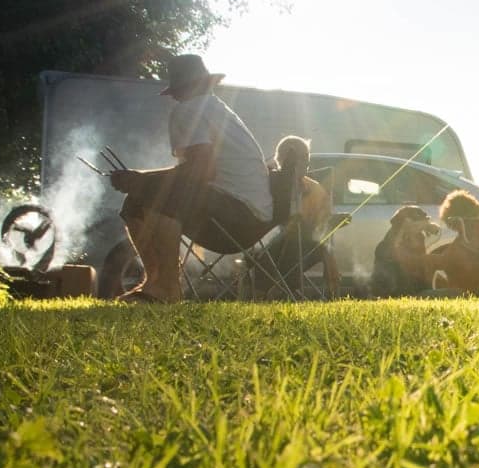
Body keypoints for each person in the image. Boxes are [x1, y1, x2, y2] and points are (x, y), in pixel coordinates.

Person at [108, 54, 272, 303]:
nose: (173, 96)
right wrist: (142, 181)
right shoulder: (215, 108)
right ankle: (154, 282)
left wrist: (142, 179)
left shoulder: (188, 110)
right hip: (252, 220)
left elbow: (201, 170)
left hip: (236, 215)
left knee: (159, 193)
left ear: (183, 88)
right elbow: (198, 171)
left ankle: (167, 287)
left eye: (176, 89)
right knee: (136, 200)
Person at [250, 135, 340, 297]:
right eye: (302, 158)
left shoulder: (315, 189)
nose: (306, 162)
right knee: (285, 233)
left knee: (300, 231)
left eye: (307, 157)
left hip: (303, 247)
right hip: (265, 244)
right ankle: (280, 291)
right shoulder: (265, 184)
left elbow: (322, 224)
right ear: (282, 160)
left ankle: (272, 292)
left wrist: (332, 222)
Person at [370, 205, 438, 296]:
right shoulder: (385, 247)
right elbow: (398, 257)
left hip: (415, 286)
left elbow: (421, 262)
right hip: (393, 289)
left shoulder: (419, 236)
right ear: (406, 224)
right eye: (418, 224)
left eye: (423, 224)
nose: (421, 228)